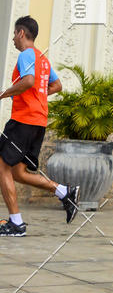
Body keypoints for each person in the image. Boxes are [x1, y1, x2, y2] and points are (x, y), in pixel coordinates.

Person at [0, 16, 80, 236]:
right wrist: (37, 95)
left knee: (2, 167)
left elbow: (27, 81)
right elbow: (57, 85)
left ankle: (16, 223)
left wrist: (4, 94)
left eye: (15, 34)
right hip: (38, 122)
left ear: (21, 33)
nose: (13, 39)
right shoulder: (42, 58)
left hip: (23, 121)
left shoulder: (26, 55)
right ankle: (64, 191)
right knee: (18, 172)